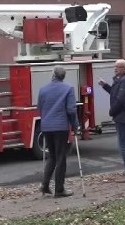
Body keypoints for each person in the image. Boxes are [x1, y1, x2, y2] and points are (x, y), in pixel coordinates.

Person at [37, 66, 81, 198]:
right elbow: (71, 110)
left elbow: (40, 107)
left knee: (52, 156)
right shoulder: (68, 89)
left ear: (53, 75)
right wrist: (75, 125)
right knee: (61, 157)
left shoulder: (43, 89)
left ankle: (45, 185)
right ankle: (59, 190)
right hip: (60, 127)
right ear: (64, 76)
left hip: (46, 127)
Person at [98, 59, 125, 183]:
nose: (115, 69)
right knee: (123, 145)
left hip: (123, 117)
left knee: (124, 146)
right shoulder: (120, 80)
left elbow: (120, 100)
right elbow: (114, 93)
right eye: (114, 67)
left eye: (117, 67)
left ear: (124, 68)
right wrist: (105, 86)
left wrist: (111, 111)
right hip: (121, 116)